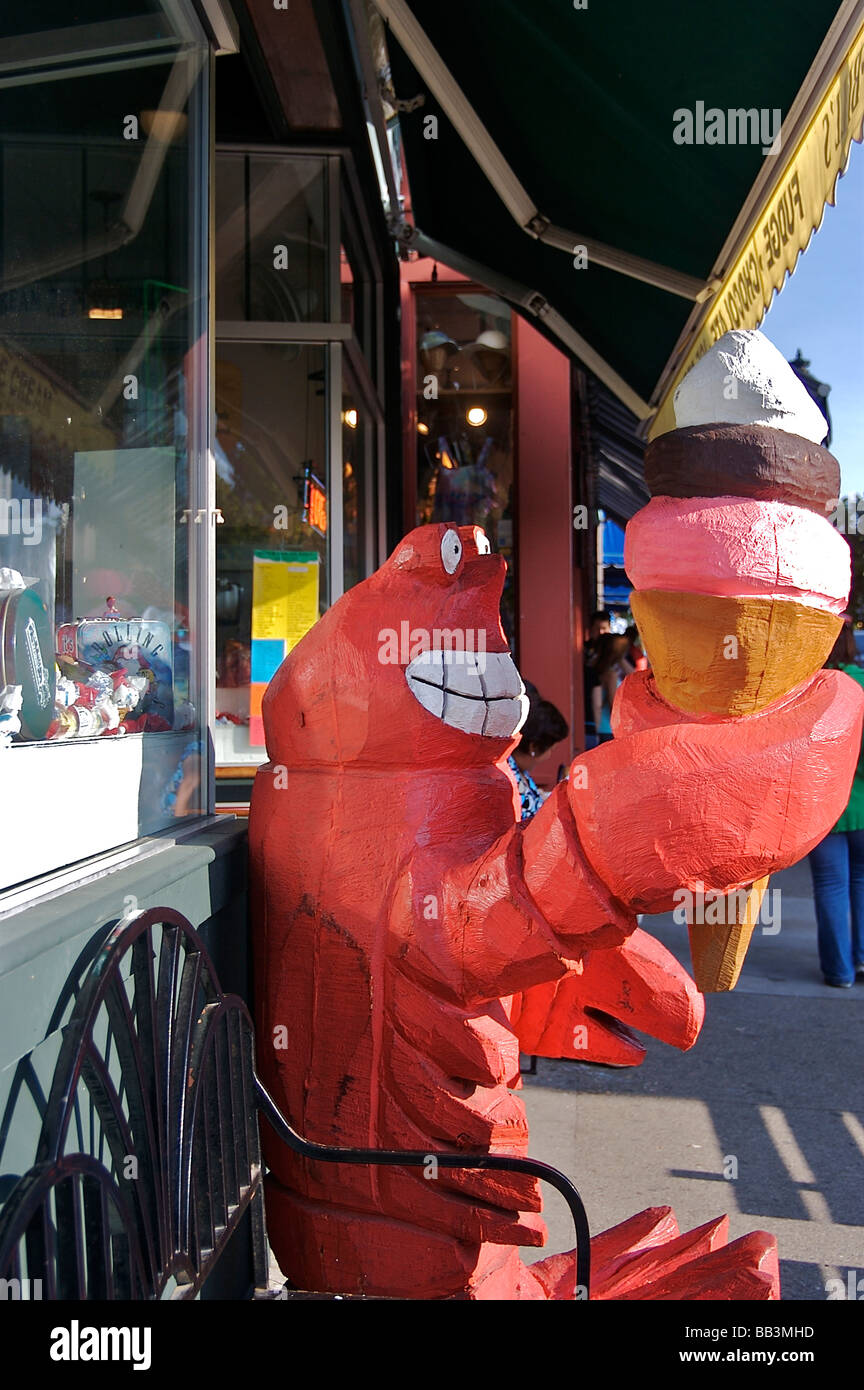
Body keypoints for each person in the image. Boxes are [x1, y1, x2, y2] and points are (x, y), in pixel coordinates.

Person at [807, 622, 864, 987]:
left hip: (821, 804)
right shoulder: (860, 682)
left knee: (830, 886)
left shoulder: (809, 690)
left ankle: (839, 970)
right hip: (863, 803)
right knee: (861, 882)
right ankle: (862, 960)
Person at [508, 682, 569, 820]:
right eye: (551, 749)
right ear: (534, 747)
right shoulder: (509, 777)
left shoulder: (519, 771)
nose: (550, 755)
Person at [591, 633, 634, 744]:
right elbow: (613, 702)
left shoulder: (595, 666)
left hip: (600, 726)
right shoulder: (611, 674)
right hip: (608, 728)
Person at [584, 610, 611, 747]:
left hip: (608, 723)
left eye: (604, 629)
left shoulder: (615, 656)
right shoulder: (583, 652)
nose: (601, 633)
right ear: (590, 630)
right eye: (597, 629)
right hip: (588, 720)